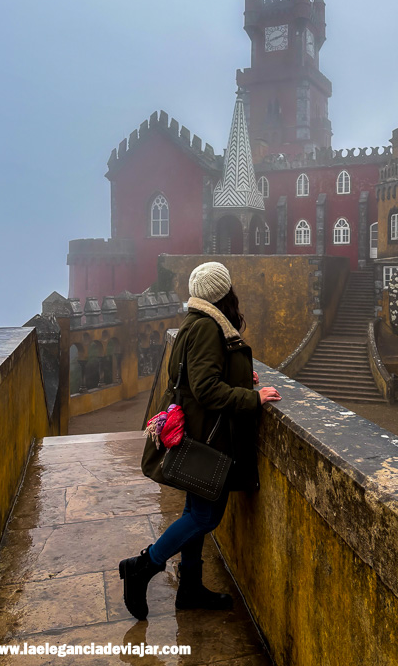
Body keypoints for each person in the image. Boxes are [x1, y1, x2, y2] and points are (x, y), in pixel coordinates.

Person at [119, 261, 281, 620]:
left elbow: (194, 375)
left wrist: (238, 373)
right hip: (209, 436)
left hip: (196, 433)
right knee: (205, 516)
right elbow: (206, 389)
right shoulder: (209, 327)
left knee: (195, 512)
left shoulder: (194, 321)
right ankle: (143, 566)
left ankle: (190, 587)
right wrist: (252, 398)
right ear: (225, 293)